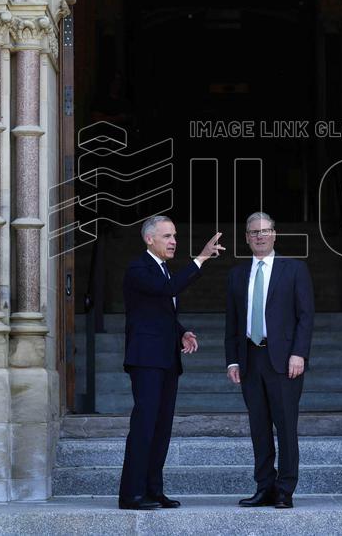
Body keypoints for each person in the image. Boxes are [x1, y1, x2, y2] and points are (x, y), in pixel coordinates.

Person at [118, 215, 225, 510]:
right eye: (167, 236)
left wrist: (181, 333)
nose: (174, 241)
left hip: (166, 358)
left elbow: (159, 311)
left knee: (162, 428)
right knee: (144, 426)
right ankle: (132, 494)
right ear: (149, 239)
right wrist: (201, 258)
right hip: (147, 360)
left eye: (174, 235)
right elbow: (167, 291)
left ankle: (153, 490)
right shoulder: (139, 268)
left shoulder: (162, 270)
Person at [224, 212, 315, 509]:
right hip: (250, 359)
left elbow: (306, 316)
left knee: (286, 426)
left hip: (284, 360)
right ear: (246, 238)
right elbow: (232, 323)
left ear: (275, 234)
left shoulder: (294, 270)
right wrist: (232, 361)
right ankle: (264, 487)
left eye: (265, 231)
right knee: (259, 427)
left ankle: (285, 489)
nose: (259, 236)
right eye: (253, 232)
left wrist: (299, 353)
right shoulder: (237, 275)